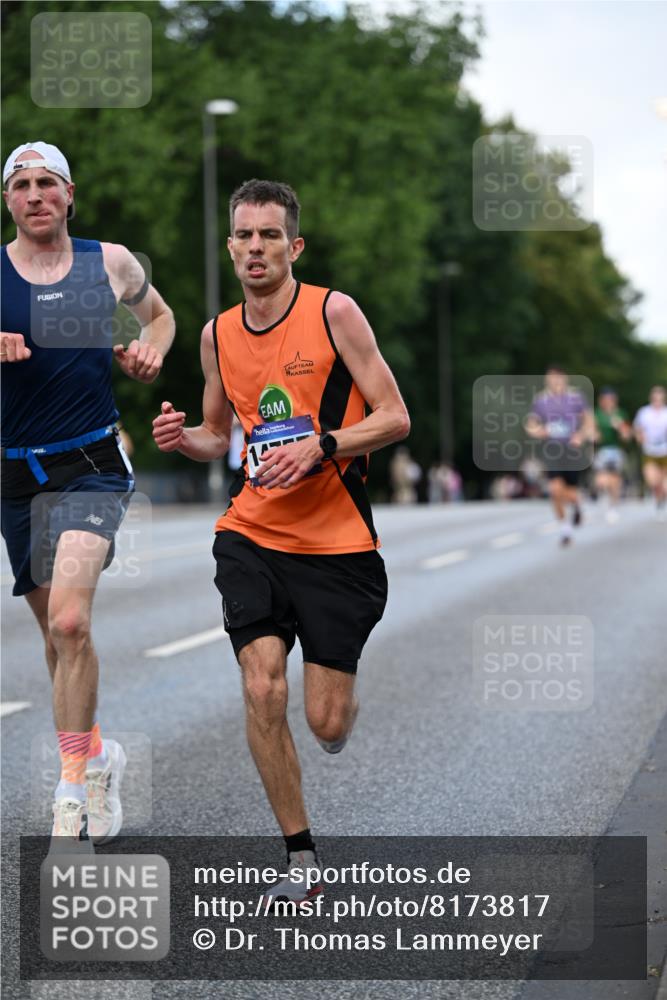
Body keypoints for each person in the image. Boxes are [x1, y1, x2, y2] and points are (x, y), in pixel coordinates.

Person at [152, 178, 409, 901]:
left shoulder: (335, 312)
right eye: (243, 235)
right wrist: (183, 439)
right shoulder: (215, 335)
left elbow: (394, 418)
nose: (255, 247)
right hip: (252, 535)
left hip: (337, 545)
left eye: (269, 235)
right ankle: (301, 862)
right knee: (261, 686)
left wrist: (324, 444)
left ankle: (335, 714)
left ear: (293, 245)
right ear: (229, 245)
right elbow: (217, 434)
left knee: (325, 721)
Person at [1, 142, 175, 841]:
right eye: (22, 184)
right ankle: (98, 755)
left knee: (71, 623)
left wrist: (152, 347)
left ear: (70, 194)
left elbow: (157, 315)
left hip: (91, 464)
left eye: (48, 183)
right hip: (14, 474)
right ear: (9, 200)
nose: (36, 194)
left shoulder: (110, 261)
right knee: (55, 636)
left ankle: (72, 786)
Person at [525, 366, 595, 547]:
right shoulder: (541, 400)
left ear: (565, 379)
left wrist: (581, 436)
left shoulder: (575, 397)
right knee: (555, 491)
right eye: (551, 379)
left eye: (558, 378)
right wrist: (539, 431)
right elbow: (531, 423)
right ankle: (565, 530)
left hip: (571, 449)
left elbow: (588, 421)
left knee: (571, 492)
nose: (555, 382)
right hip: (552, 449)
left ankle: (577, 505)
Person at [593, 387, 631, 522]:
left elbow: (627, 436)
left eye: (611, 399)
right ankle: (603, 495)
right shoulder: (597, 414)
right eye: (606, 399)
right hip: (601, 450)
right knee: (601, 480)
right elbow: (592, 433)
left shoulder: (621, 414)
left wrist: (620, 426)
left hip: (615, 450)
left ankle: (613, 506)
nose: (609, 402)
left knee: (615, 480)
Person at [633, 385, 667, 520]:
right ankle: (658, 499)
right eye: (655, 398)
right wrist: (640, 436)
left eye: (660, 398)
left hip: (665, 451)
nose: (657, 400)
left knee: (665, 484)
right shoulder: (644, 412)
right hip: (649, 450)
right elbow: (637, 429)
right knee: (653, 480)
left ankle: (661, 501)